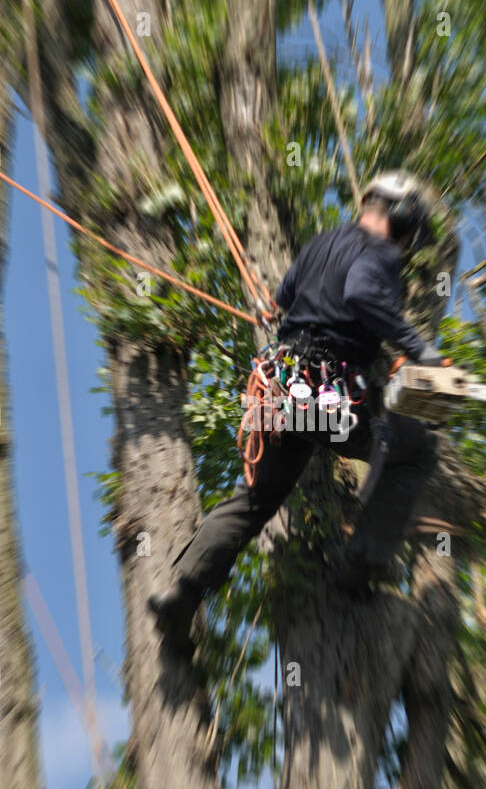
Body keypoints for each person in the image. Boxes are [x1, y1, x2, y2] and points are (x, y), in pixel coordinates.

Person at [149, 170, 446, 640]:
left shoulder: (323, 242)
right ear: (403, 215)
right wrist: (417, 348)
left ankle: (182, 593)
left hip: (278, 387)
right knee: (413, 444)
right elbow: (362, 294)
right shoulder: (381, 253)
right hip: (322, 389)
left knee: (257, 500)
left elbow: (281, 299)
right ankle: (360, 564)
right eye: (409, 231)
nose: (406, 243)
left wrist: (286, 311)